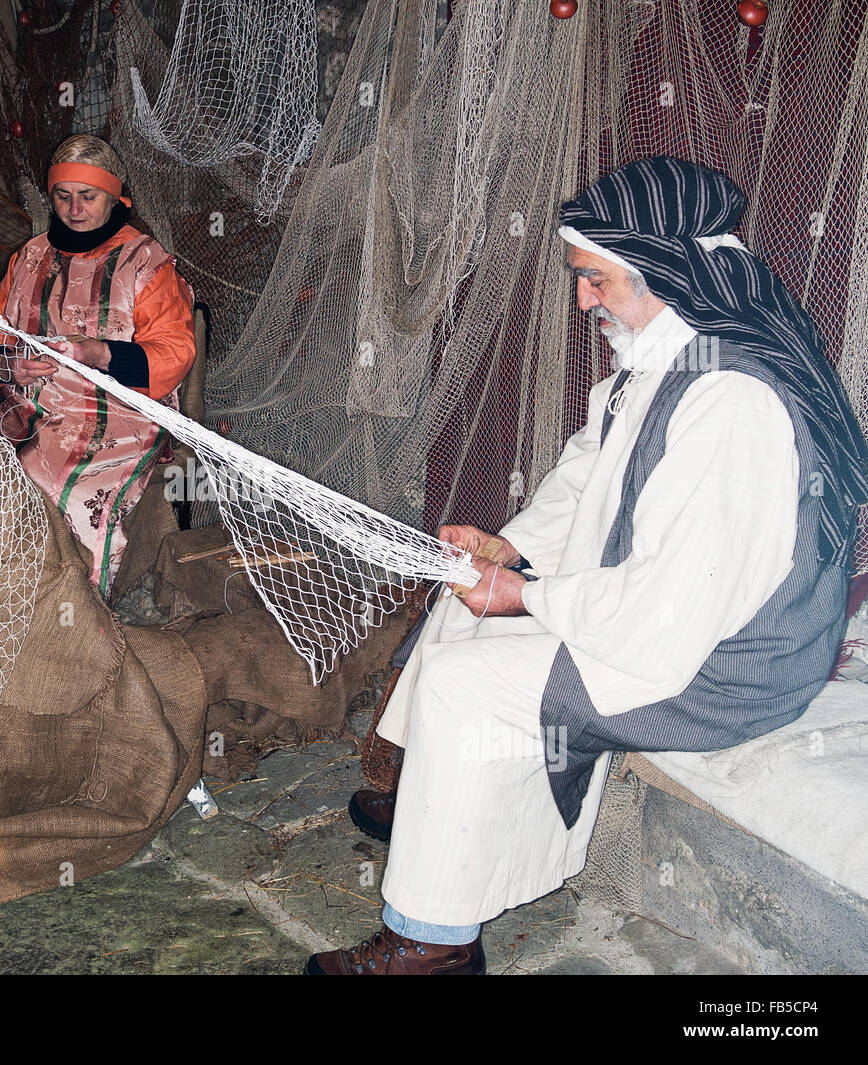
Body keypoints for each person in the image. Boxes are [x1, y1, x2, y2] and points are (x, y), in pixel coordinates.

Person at [307, 156, 868, 975]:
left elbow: (672, 617)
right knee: (462, 601)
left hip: (724, 667)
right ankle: (422, 786)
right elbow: (590, 471)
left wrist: (527, 596)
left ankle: (430, 940)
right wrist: (514, 552)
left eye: (594, 280)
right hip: (671, 621)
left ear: (663, 273)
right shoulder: (672, 351)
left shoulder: (734, 402)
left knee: (470, 686)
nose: (581, 300)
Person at [0, 135, 196, 596]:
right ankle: (0, 604)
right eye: (63, 195)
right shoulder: (31, 256)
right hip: (25, 402)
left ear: (114, 197)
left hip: (115, 413)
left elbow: (174, 350)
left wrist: (100, 353)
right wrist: (7, 362)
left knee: (68, 494)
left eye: (88, 196)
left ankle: (79, 617)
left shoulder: (144, 262)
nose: (74, 209)